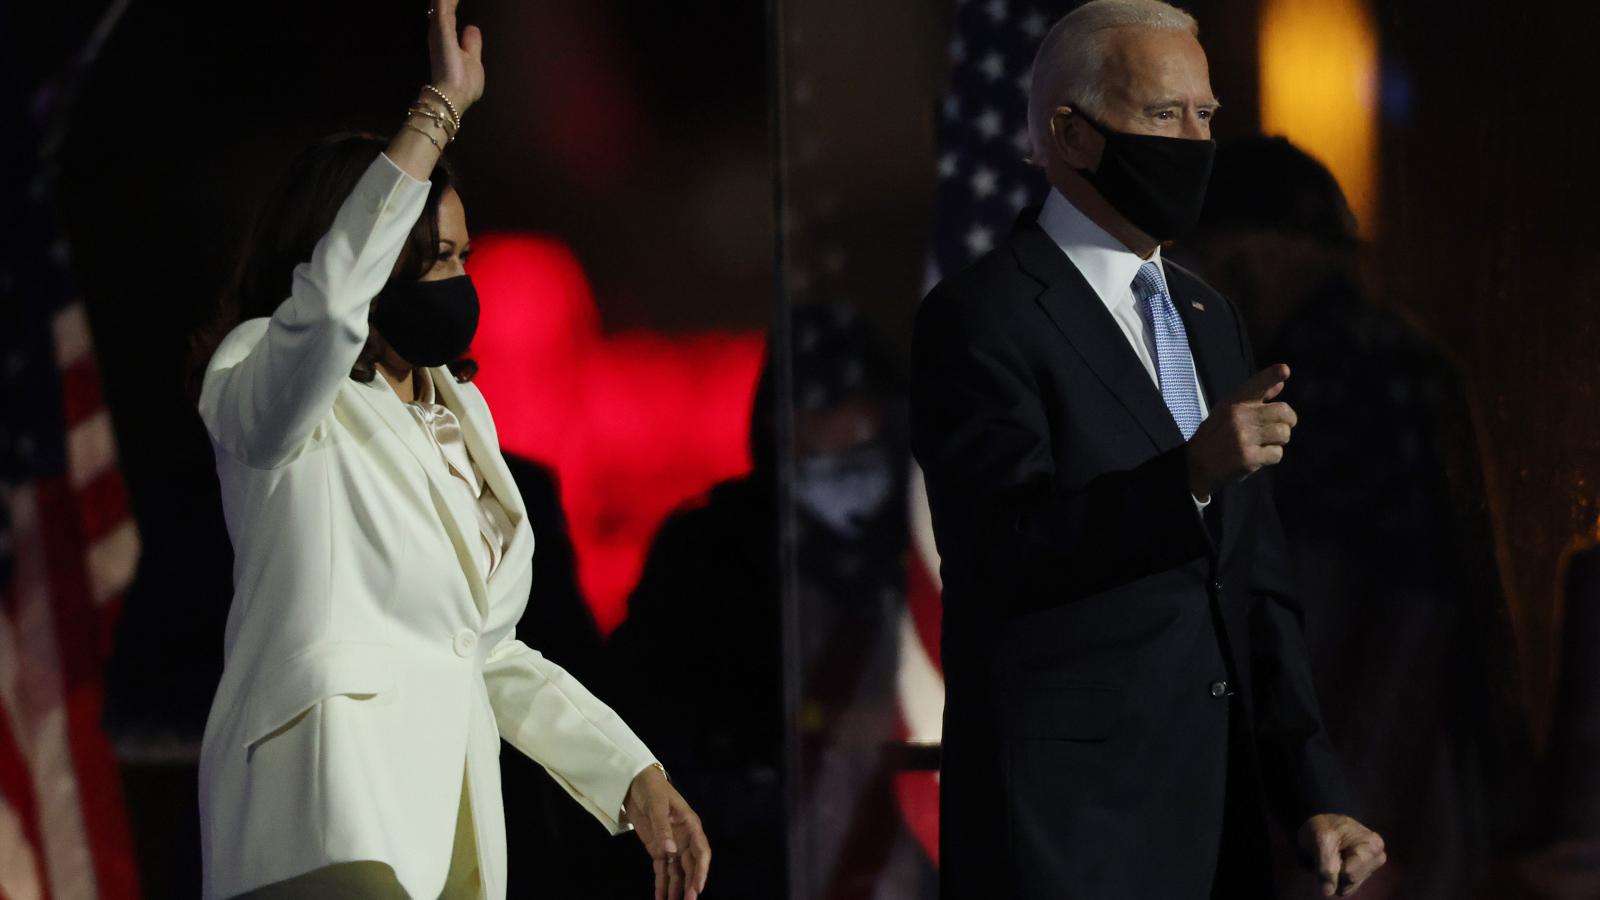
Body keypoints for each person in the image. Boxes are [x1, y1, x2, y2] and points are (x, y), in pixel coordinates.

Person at [188, 4, 709, 898]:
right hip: (323, 813)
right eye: (429, 258)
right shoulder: (267, 380)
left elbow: (486, 648)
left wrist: (631, 772)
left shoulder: (457, 413)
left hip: (444, 831)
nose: (457, 281)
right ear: (366, 259)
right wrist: (436, 115)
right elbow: (328, 310)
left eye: (462, 256)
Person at [908, 2, 1386, 897]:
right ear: (1071, 134)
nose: (1195, 143)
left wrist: (1313, 789)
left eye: (1205, 115)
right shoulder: (982, 316)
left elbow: (1254, 579)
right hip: (1065, 835)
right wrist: (1188, 476)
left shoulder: (1207, 314)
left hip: (1219, 824)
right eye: (1164, 115)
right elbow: (1000, 549)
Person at [1182, 136, 1533, 899]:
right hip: (1427, 757)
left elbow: (1322, 600)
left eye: (1212, 260)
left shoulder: (1311, 374)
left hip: (1354, 759)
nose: (1204, 287)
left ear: (1256, 254)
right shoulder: (1410, 360)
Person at [606, 303, 933, 899]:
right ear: (774, 419)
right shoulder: (707, 546)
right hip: (759, 860)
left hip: (918, 847)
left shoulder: (932, 540)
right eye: (810, 402)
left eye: (856, 400)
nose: (840, 423)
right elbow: (648, 717)